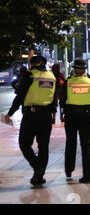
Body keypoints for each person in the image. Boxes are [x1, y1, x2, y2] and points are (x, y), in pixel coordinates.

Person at [5, 56, 56, 186]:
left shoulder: (29, 75)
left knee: (24, 143)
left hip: (31, 115)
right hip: (46, 116)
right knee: (43, 146)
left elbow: (20, 95)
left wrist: (10, 113)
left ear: (34, 64)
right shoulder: (51, 76)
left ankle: (37, 167)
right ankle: (39, 176)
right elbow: (53, 97)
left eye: (31, 63)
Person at [60, 59, 90, 183]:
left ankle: (69, 170)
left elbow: (62, 102)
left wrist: (66, 112)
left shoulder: (68, 83)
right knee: (86, 145)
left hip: (71, 116)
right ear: (84, 70)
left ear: (74, 69)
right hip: (86, 116)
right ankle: (88, 175)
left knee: (70, 143)